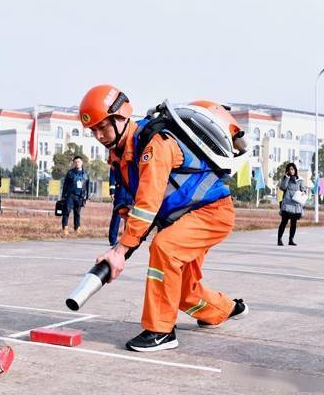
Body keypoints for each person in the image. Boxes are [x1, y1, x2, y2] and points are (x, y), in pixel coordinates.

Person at [79, 85, 248, 352]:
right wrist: (119, 251)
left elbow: (148, 203)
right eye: (94, 131)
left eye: (103, 127)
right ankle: (224, 309)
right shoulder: (119, 155)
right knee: (182, 290)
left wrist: (122, 249)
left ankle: (160, 331)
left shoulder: (155, 145)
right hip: (183, 218)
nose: (99, 136)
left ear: (121, 117)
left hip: (212, 213)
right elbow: (127, 203)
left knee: (164, 248)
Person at [277, 163, 306, 246]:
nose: (291, 171)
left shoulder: (300, 180)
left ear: (295, 170)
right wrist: (286, 178)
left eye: (292, 169)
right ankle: (279, 239)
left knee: (293, 223)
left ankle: (291, 240)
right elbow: (283, 188)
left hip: (295, 204)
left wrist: (303, 192)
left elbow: (303, 189)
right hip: (287, 203)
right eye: (289, 169)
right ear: (287, 171)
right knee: (284, 222)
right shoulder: (285, 178)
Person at [61, 156, 90, 236]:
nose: (77, 163)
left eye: (79, 162)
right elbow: (65, 185)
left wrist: (87, 196)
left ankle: (77, 228)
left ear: (82, 162)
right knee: (66, 212)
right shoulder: (70, 173)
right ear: (74, 163)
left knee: (77, 213)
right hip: (70, 195)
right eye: (76, 162)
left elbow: (87, 186)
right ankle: (65, 229)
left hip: (80, 196)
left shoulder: (85, 174)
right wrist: (63, 195)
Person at [108, 167, 132, 246]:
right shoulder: (116, 161)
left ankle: (127, 239)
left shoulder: (134, 161)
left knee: (130, 217)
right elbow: (112, 176)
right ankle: (112, 239)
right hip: (120, 192)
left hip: (131, 193)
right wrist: (112, 191)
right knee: (116, 216)